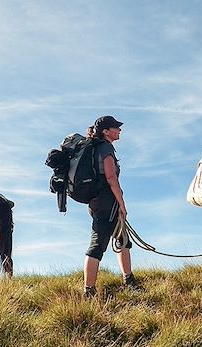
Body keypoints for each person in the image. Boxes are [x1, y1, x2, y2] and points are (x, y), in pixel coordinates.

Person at [83, 115, 137, 298]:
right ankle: (88, 291)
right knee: (97, 245)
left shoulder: (98, 148)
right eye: (116, 127)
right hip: (107, 203)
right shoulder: (105, 148)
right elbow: (111, 178)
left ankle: (129, 280)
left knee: (123, 240)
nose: (119, 130)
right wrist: (122, 204)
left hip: (101, 202)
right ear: (106, 131)